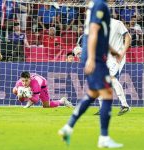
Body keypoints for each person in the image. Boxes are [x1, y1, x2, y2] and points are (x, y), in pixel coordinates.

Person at [58, 0, 123, 148]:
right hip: (96, 59)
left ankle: (67, 128)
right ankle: (104, 138)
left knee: (93, 94)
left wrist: (113, 52)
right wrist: (92, 59)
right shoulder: (100, 5)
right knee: (107, 94)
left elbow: (99, 35)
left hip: (95, 56)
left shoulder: (96, 4)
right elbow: (93, 30)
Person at [94, 18, 132, 116]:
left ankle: (125, 105)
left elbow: (128, 37)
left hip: (117, 56)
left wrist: (122, 53)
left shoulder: (117, 23)